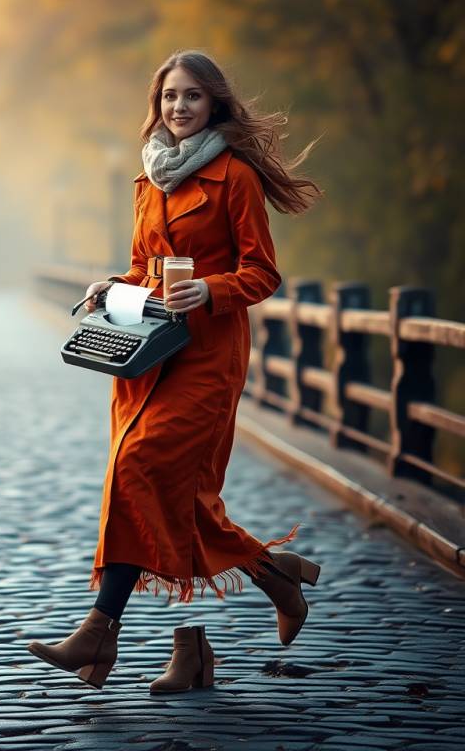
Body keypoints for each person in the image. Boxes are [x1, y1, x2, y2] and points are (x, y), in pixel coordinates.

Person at [28, 50, 323, 693]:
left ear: (214, 101)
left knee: (140, 468)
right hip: (146, 357)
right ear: (157, 105)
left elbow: (263, 272)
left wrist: (212, 291)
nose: (179, 107)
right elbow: (143, 267)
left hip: (209, 357)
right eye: (169, 97)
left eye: (192, 95)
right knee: (173, 497)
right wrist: (115, 286)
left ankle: (97, 632)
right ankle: (214, 633)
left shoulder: (234, 176)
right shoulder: (147, 181)